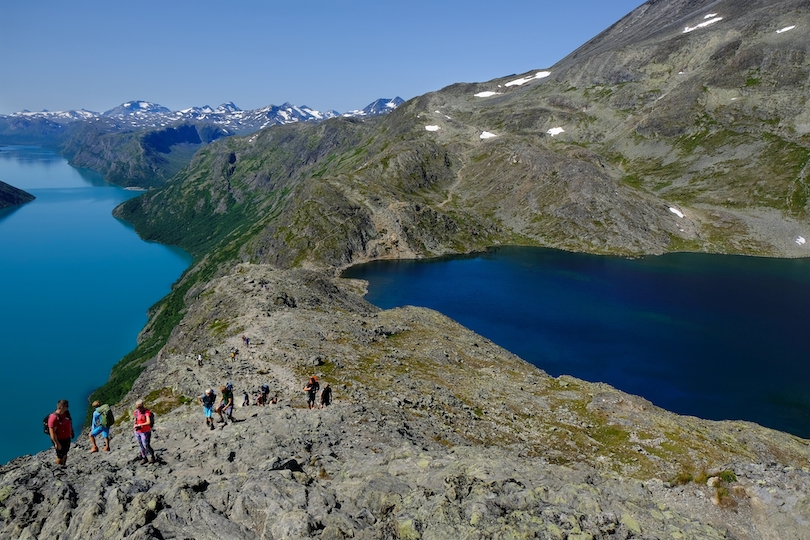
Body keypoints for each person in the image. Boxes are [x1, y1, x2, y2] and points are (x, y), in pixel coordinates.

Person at [47, 399, 74, 466]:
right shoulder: (53, 418)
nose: (68, 407)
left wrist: (71, 431)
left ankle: (64, 465)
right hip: (59, 439)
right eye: (66, 406)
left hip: (67, 437)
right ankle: (59, 468)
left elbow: (69, 422)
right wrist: (57, 443)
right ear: (61, 407)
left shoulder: (66, 413)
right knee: (60, 455)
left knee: (65, 453)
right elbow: (52, 433)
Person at [133, 399, 156, 464]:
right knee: (140, 445)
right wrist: (135, 425)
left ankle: (152, 456)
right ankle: (144, 458)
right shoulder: (136, 412)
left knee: (146, 445)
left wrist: (140, 425)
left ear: (142, 405)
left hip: (145, 431)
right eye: (137, 407)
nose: (138, 409)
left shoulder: (146, 412)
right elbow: (135, 419)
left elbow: (148, 422)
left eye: (139, 407)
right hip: (137, 431)